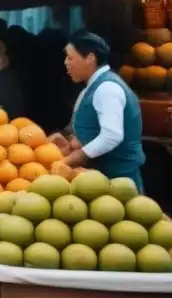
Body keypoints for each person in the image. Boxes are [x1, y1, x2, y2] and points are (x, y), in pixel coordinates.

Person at [54, 30, 145, 189]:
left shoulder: (107, 88)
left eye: (70, 57)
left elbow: (111, 136)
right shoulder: (90, 89)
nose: (65, 63)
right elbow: (89, 128)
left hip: (119, 183)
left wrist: (74, 158)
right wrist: (70, 140)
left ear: (90, 58)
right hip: (97, 181)